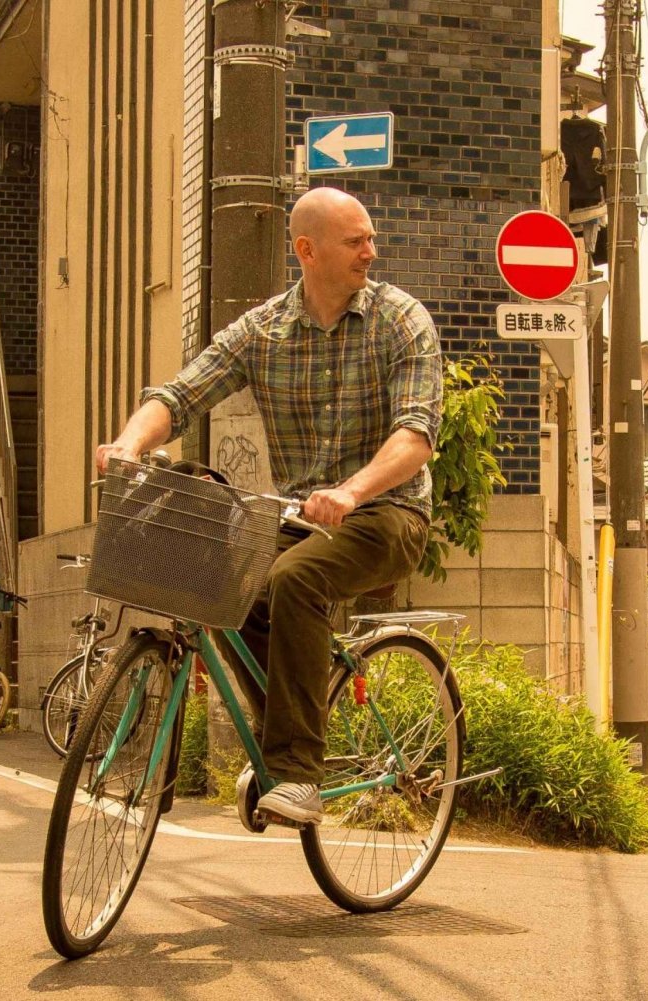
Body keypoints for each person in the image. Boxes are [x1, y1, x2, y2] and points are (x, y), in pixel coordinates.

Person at [95, 186, 443, 826]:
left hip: (389, 512)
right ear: (307, 251)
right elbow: (178, 395)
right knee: (222, 584)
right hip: (300, 516)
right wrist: (127, 443)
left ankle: (298, 773)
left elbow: (415, 434)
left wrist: (352, 490)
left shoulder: (400, 319)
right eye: (356, 240)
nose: (372, 250)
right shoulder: (263, 331)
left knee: (293, 579)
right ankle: (289, 731)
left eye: (370, 237)